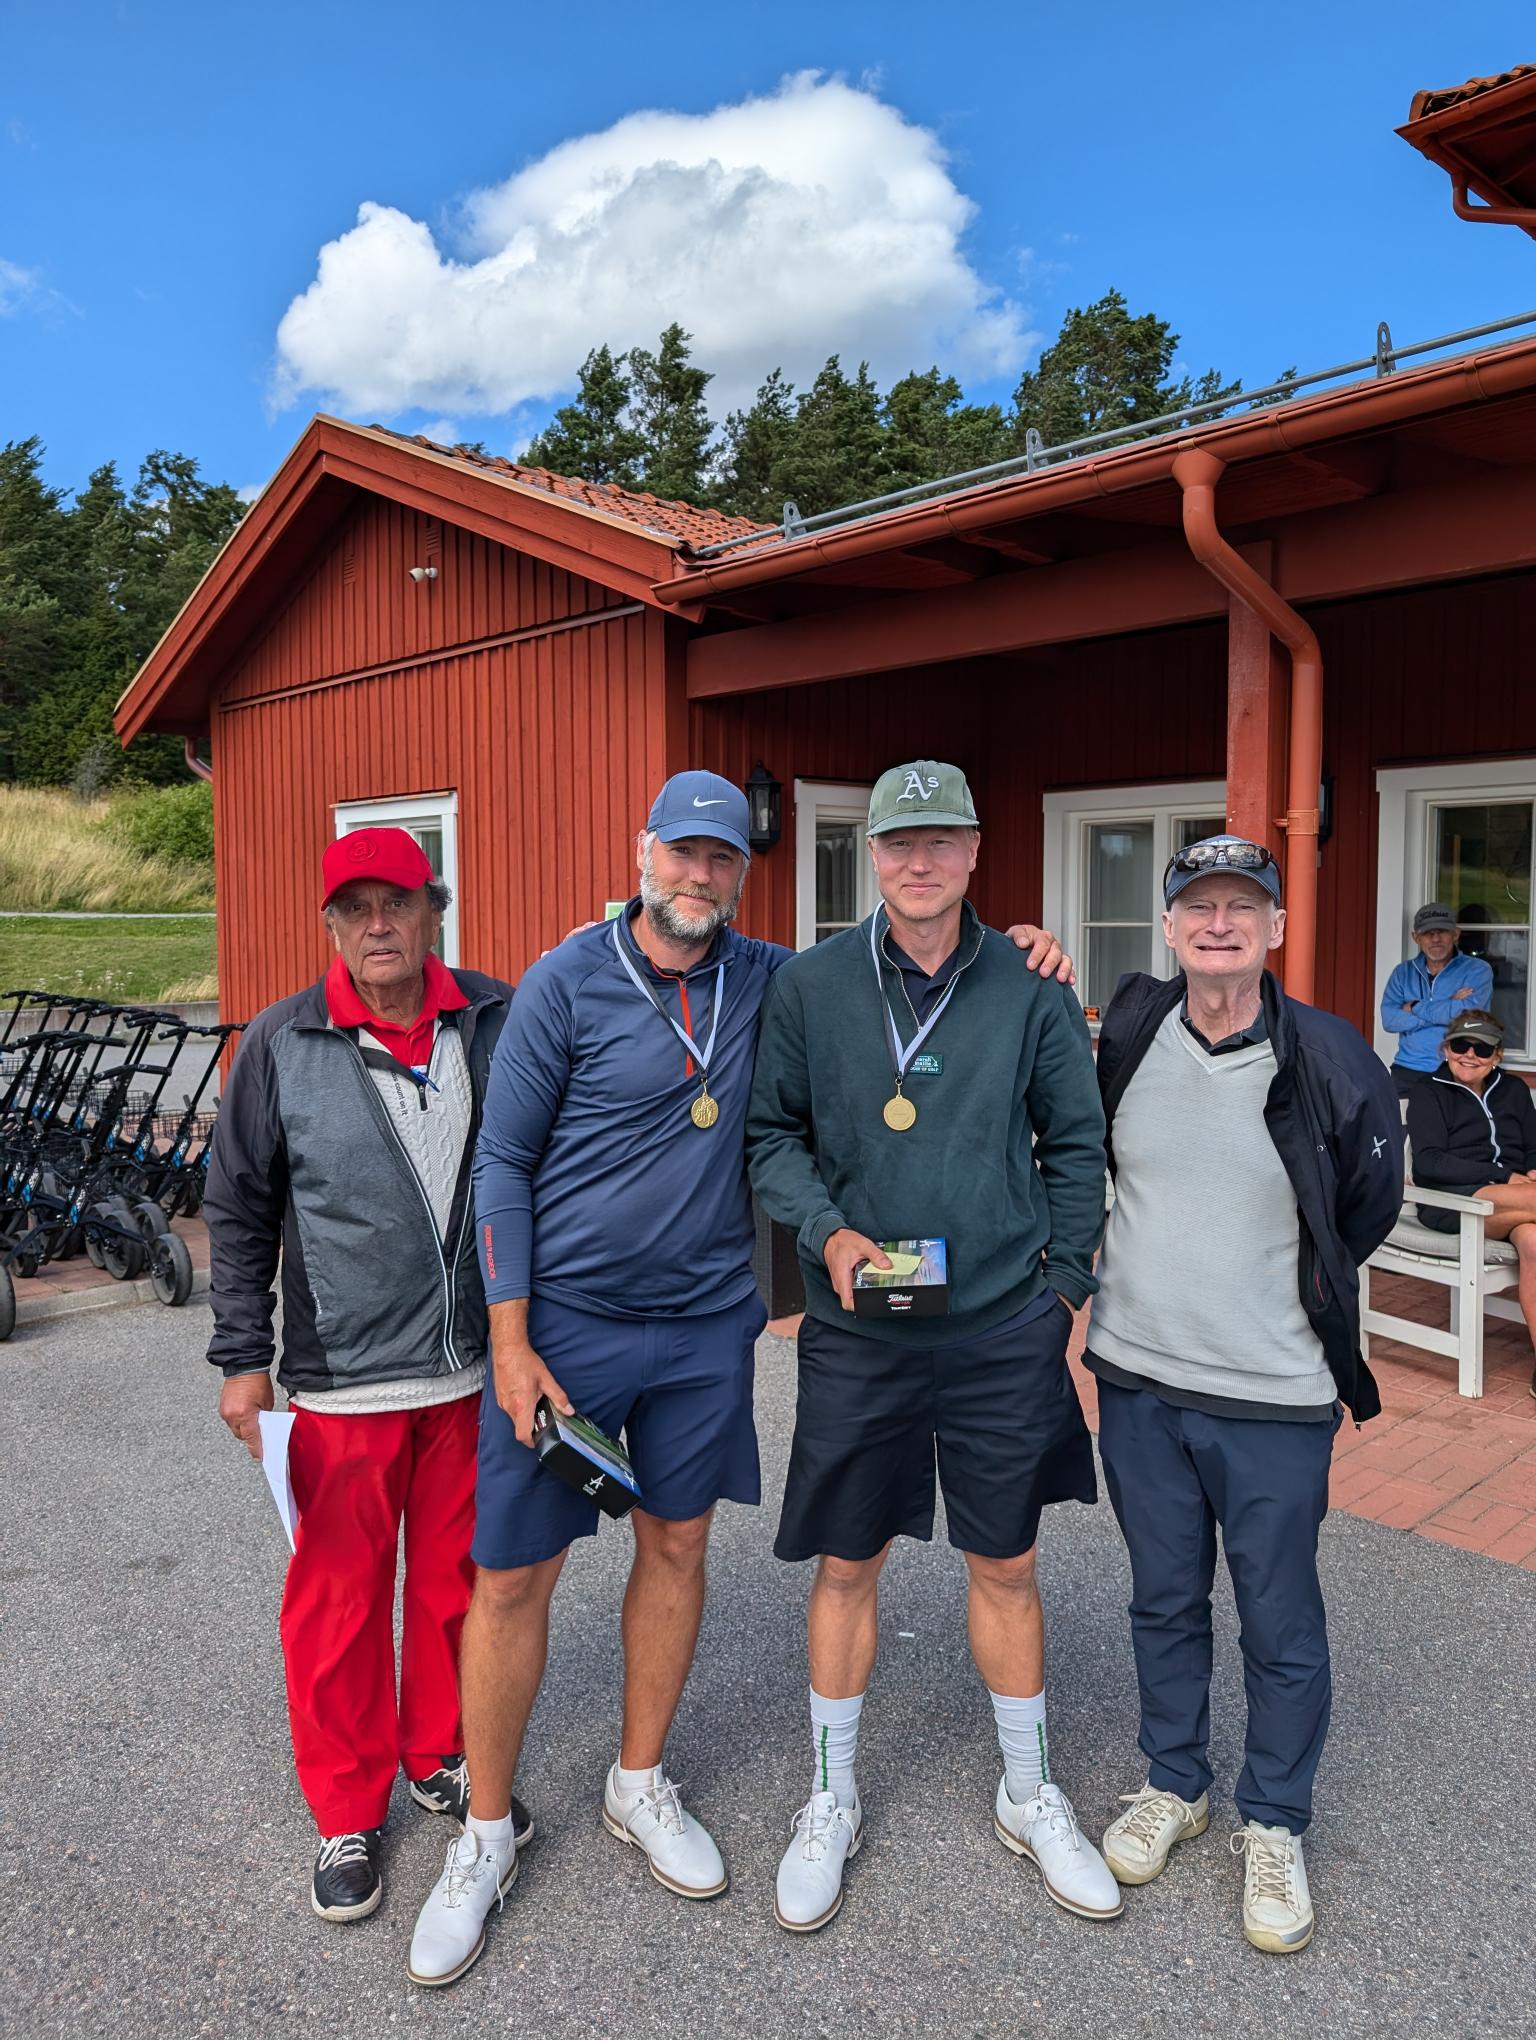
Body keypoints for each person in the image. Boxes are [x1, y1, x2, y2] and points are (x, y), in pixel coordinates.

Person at [406, 768, 1072, 1988]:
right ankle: (485, 1835)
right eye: (682, 853)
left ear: (742, 876)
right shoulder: (565, 981)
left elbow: (911, 956)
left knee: (676, 1548)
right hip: (571, 1328)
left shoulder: (777, 978)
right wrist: (509, 1337)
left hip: (705, 1328)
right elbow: (500, 1164)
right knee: (511, 1579)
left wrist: (1024, 945)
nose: (699, 876)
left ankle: (638, 1782)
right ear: (643, 850)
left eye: (721, 860)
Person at [745, 759, 1119, 1935]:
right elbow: (771, 1135)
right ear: (873, 855)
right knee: (847, 1564)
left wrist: (1062, 1293)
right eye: (900, 843)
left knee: (1005, 1562)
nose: (920, 862)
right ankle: (830, 1796)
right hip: (863, 1329)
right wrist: (825, 1230)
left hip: (1002, 1326)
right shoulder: (810, 986)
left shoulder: (1029, 984)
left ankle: (1028, 1791)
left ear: (973, 852)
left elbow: (1077, 1145)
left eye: (941, 841)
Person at [1087, 835, 1402, 1956]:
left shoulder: (1329, 1055)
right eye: (1199, 907)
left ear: (1275, 927)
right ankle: (1175, 1783)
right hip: (1139, 1380)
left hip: (1273, 1389)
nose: (1218, 925)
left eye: (1241, 907)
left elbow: (1365, 1205)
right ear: (1171, 927)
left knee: (1279, 1617)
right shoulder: (1129, 1034)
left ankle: (1275, 1819)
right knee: (1163, 1599)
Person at [206, 827, 528, 1924]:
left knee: (454, 1586)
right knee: (338, 1605)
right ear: (332, 925)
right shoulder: (282, 1042)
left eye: (397, 903)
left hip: (470, 1372)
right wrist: (242, 1359)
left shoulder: (496, 1016)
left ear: (435, 909)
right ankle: (347, 1807)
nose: (378, 925)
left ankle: (438, 1752)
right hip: (341, 1380)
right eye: (355, 908)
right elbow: (238, 1207)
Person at [1407, 1008, 1536, 1396]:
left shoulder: (1513, 1090)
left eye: (1481, 1048)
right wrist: (1503, 1176)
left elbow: (1532, 1146)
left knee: (1533, 1242)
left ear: (1497, 1055)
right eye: (1460, 1045)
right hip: (1451, 1202)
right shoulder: (1429, 1091)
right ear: (1446, 1049)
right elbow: (1429, 1162)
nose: (1469, 1055)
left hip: (1515, 1203)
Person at [1380, 903, 1493, 1098]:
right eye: (1427, 933)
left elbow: (1468, 1016)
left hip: (1458, 1068)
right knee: (1398, 1118)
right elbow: (1390, 1021)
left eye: (1442, 931)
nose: (1435, 939)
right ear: (1416, 938)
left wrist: (1415, 1006)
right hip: (1407, 1069)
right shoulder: (1402, 973)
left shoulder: (1477, 970)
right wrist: (1449, 1003)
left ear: (1455, 934)